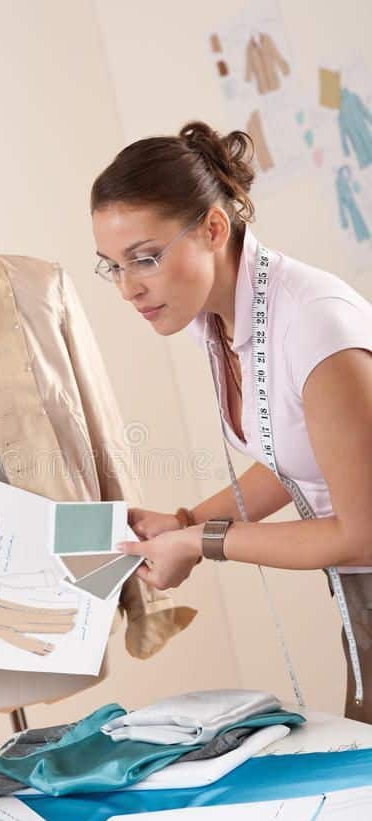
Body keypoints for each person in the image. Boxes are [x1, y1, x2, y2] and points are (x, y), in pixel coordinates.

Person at [90, 121, 372, 723]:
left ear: (214, 228)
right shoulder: (215, 317)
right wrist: (185, 520)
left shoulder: (315, 326)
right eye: (111, 266)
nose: (127, 288)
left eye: (144, 258)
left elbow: (361, 532)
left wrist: (199, 542)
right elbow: (300, 455)